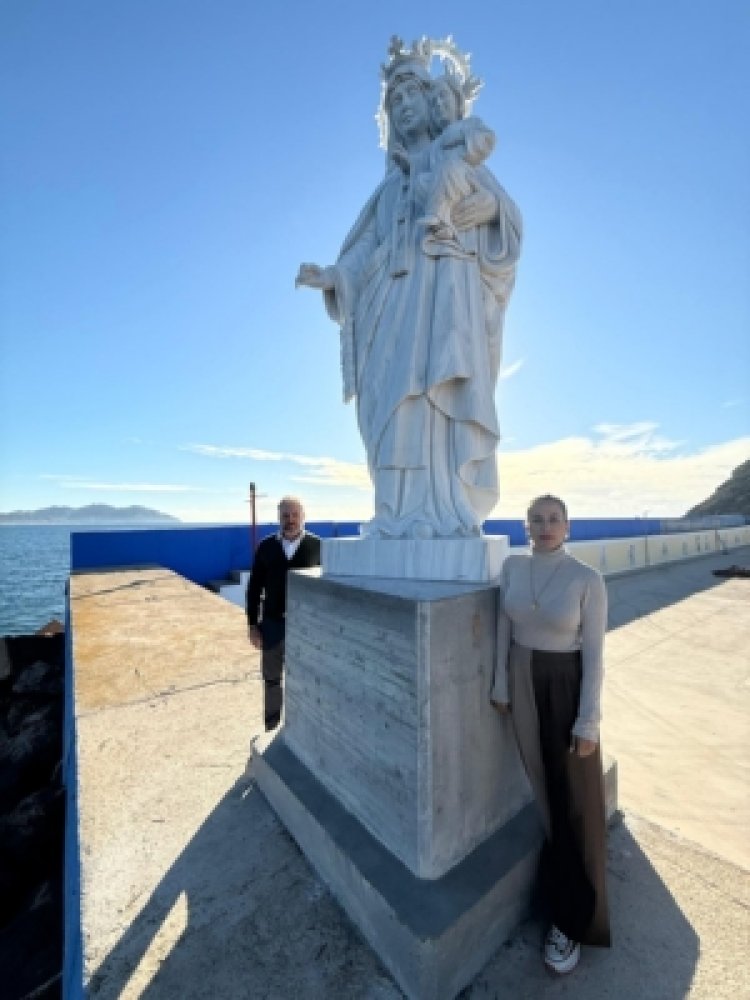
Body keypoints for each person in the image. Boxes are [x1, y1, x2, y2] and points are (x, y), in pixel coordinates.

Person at [296, 39, 521, 540]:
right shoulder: (389, 186)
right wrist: (333, 276)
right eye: (393, 103)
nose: (402, 107)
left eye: (409, 96)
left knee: (438, 392)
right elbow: (367, 245)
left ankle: (446, 508)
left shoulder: (460, 158)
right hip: (392, 302)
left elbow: (507, 216)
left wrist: (488, 212)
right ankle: (396, 513)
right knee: (393, 401)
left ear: (432, 98)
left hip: (444, 290)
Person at [490, 494, 610, 974]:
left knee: (572, 800)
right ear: (526, 527)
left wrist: (588, 720)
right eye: (536, 519)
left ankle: (573, 919)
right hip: (520, 680)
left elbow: (596, 656)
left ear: (567, 526)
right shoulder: (514, 568)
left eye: (553, 519)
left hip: (564, 683)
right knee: (543, 793)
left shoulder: (587, 578)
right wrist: (501, 682)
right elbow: (504, 625)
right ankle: (556, 887)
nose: (544, 526)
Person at [246, 496, 321, 731]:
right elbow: (254, 588)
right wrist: (252, 625)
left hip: (307, 627)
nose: (290, 520)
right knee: (271, 680)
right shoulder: (267, 547)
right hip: (272, 625)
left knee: (307, 679)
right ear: (279, 518)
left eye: (295, 515)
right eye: (285, 515)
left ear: (303, 516)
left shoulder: (317, 546)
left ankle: (304, 727)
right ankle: (272, 725)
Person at [417, 73, 496, 260]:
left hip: (461, 175)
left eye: (443, 96)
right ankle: (443, 224)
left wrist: (460, 138)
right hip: (441, 182)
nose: (438, 104)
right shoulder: (434, 147)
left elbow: (487, 139)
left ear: (458, 101)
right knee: (421, 181)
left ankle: (437, 215)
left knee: (448, 169)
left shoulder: (469, 125)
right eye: (433, 102)